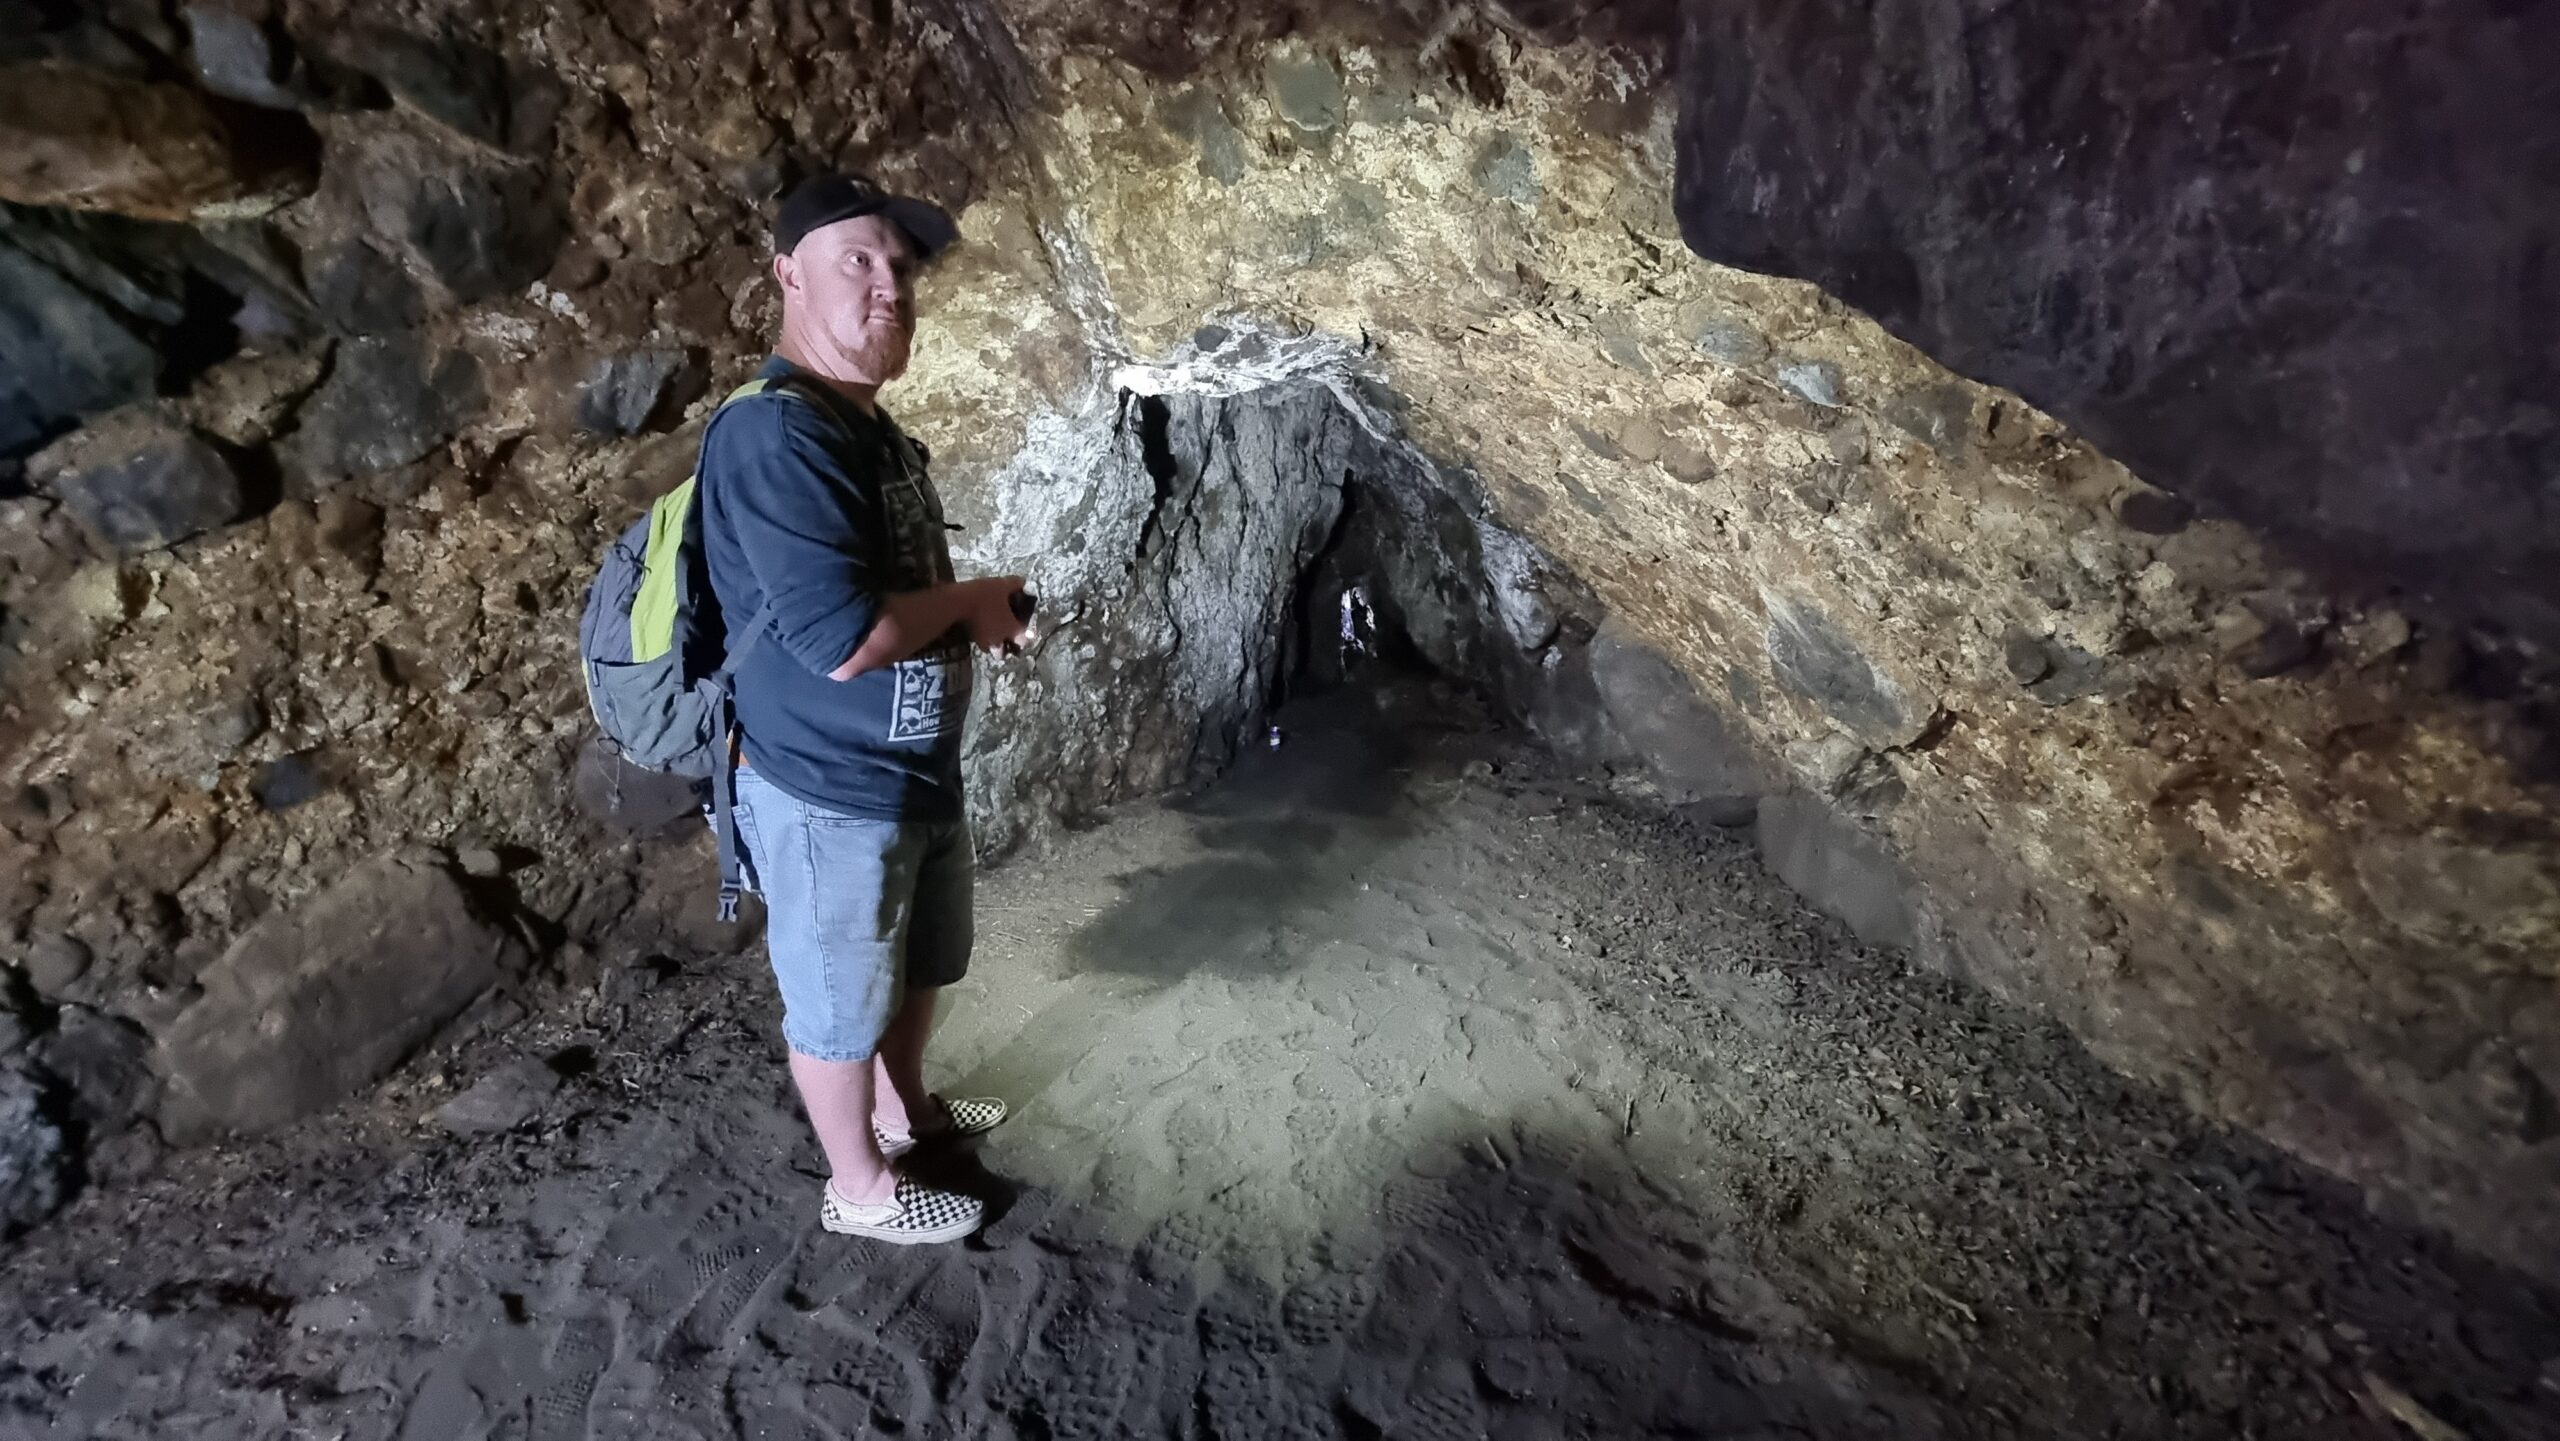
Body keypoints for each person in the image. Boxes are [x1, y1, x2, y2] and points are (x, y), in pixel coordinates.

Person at [696, 173, 1032, 1245]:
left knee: (919, 960)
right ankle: (859, 1189)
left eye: (900, 268)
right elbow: (839, 639)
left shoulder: (868, 430)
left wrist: (967, 618)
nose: (890, 285)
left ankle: (905, 1113)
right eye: (858, 261)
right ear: (788, 275)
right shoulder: (776, 436)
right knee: (841, 997)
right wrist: (973, 602)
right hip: (824, 785)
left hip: (909, 771)